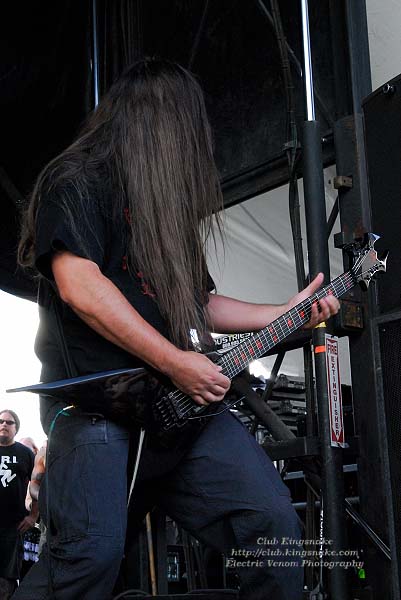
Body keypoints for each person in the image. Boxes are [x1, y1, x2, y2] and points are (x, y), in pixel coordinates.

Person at [15, 58, 339, 599]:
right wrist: (176, 362)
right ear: (159, 124)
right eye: (189, 129)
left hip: (177, 412)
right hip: (100, 409)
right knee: (88, 561)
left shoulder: (160, 208)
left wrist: (287, 311)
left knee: (273, 526)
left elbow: (197, 304)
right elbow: (80, 285)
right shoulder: (76, 180)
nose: (197, 145)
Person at [0, 410, 37, 600]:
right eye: (1, 421)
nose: (4, 424)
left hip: (12, 527)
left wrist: (33, 516)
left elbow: (39, 484)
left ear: (16, 428)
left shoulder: (25, 454)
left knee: (6, 579)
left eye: (9, 422)